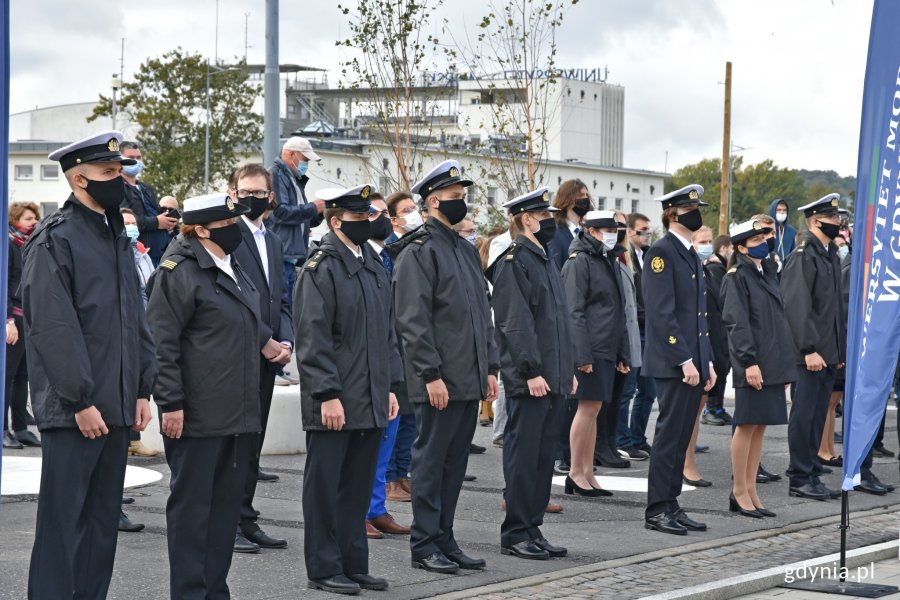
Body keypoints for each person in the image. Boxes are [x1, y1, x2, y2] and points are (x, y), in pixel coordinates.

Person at [23, 131, 157, 599]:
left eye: (120, 171)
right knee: (64, 527)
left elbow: (133, 318)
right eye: (108, 173)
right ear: (79, 178)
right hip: (76, 411)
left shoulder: (115, 235)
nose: (119, 180)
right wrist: (80, 399)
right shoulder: (54, 239)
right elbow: (54, 328)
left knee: (101, 528)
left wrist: (142, 388)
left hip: (118, 405)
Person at [146, 192, 266, 598]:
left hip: (236, 411)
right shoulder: (177, 271)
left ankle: (215, 591)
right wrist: (172, 403)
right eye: (228, 226)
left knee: (223, 514)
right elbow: (163, 344)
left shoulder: (231, 265)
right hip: (197, 414)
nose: (236, 231)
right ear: (200, 230)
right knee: (193, 513)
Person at [389, 159, 500, 574]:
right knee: (431, 463)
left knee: (455, 463)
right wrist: (430, 374)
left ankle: (445, 537)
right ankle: (424, 544)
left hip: (468, 376)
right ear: (433, 201)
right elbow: (413, 321)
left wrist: (490, 366)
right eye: (455, 198)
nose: (462, 204)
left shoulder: (464, 250)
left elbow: (479, 313)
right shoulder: (419, 251)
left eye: (463, 198)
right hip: (439, 378)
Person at [295, 184, 402, 594]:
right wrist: (326, 395)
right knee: (325, 489)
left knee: (357, 487)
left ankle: (353, 563)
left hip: (371, 394)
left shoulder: (372, 263)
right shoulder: (321, 267)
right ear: (336, 221)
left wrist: (391, 385)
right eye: (360, 218)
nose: (369, 223)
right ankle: (323, 567)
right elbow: (313, 338)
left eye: (370, 217)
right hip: (335, 398)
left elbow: (387, 333)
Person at [491, 188, 574, 561]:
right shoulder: (513, 261)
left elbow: (558, 321)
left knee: (543, 457)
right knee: (524, 456)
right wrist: (531, 370)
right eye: (545, 216)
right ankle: (516, 531)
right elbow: (515, 322)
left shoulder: (544, 258)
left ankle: (533, 526)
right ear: (526, 218)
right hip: (531, 379)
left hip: (553, 375)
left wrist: (565, 370)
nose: (551, 222)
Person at [642, 184, 716, 536]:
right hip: (674, 363)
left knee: (682, 436)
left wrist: (708, 361)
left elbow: (699, 318)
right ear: (673, 214)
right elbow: (662, 314)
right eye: (689, 209)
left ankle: (672, 503)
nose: (696, 213)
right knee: (669, 437)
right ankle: (657, 508)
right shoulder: (662, 252)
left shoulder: (688, 253)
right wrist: (685, 359)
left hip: (693, 362)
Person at [229, 163, 294, 553]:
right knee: (235, 447)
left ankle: (246, 516)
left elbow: (280, 297)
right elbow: (233, 298)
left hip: (269, 359)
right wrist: (264, 340)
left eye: (259, 192)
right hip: (239, 357)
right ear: (233, 193)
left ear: (270, 197)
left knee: (253, 443)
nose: (252, 198)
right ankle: (228, 521)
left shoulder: (272, 239)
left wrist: (285, 339)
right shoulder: (229, 235)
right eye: (245, 191)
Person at [721, 218, 797, 517]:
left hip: (771, 362)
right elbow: (737, 323)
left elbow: (776, 322)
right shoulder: (736, 276)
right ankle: (739, 490)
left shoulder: (765, 272)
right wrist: (748, 361)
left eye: (764, 237)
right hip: (752, 363)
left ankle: (751, 488)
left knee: (760, 426)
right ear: (741, 247)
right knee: (746, 424)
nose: (763, 242)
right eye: (756, 240)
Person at [781, 194, 846, 500]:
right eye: (833, 219)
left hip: (827, 353)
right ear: (817, 221)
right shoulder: (804, 255)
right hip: (809, 355)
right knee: (804, 415)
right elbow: (797, 307)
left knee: (818, 416)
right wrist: (809, 349)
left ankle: (813, 474)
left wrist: (837, 350)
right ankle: (799, 477)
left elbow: (832, 309)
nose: (838, 223)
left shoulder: (829, 254)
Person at [561, 210, 629, 497]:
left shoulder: (606, 259)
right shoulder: (580, 262)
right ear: (591, 231)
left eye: (614, 229)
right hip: (590, 348)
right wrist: (582, 356)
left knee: (594, 411)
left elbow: (618, 310)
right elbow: (573, 311)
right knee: (586, 410)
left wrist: (623, 351)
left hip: (606, 346)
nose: (612, 234)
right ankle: (576, 472)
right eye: (606, 230)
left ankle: (587, 471)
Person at [365, 193, 413, 539]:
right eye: (379, 214)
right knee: (369, 443)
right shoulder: (362, 258)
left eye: (387, 214)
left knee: (388, 437)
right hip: (367, 365)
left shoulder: (389, 255)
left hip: (394, 357)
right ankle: (359, 510)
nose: (388, 220)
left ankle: (376, 508)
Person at [680, 225, 724, 488]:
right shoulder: (690, 270)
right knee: (688, 412)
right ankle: (685, 464)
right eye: (702, 241)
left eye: (709, 241)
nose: (706, 245)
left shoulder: (708, 269)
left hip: (708, 346)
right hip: (690, 348)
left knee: (697, 410)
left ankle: (689, 461)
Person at [384, 191, 420, 504]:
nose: (413, 214)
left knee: (410, 415)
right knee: (397, 413)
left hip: (412, 339)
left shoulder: (415, 244)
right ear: (393, 219)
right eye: (406, 210)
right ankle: (391, 478)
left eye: (414, 208)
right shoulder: (390, 248)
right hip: (396, 336)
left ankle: (402, 472)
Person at [267, 136, 326, 315]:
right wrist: (313, 207)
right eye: (305, 159)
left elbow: (305, 219)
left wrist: (322, 211)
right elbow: (280, 212)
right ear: (290, 154)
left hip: (291, 255)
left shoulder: (294, 178)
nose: (306, 164)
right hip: (282, 253)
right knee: (283, 308)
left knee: (291, 308)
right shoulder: (276, 173)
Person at [616, 212, 656, 461]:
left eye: (647, 230)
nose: (646, 234)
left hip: (648, 332)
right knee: (628, 391)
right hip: (635, 330)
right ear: (630, 232)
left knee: (648, 391)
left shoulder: (647, 256)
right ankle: (623, 440)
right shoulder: (625, 255)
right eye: (641, 230)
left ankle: (638, 437)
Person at [4, 202, 40, 450]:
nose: (34, 222)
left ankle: (21, 428)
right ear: (16, 219)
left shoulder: (32, 244)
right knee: (7, 377)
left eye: (36, 218)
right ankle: (3, 430)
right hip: (13, 318)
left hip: (29, 317)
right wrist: (8, 320)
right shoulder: (7, 244)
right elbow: (4, 284)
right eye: (28, 218)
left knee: (23, 376)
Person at [120, 141, 178, 266]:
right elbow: (125, 221)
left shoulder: (146, 188)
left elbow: (156, 215)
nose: (136, 161)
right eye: (131, 158)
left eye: (138, 157)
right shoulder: (117, 188)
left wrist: (168, 223)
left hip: (161, 255)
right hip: (138, 256)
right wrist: (157, 222)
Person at [701, 234, 735, 426]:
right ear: (724, 248)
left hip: (721, 326)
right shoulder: (715, 268)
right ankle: (711, 408)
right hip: (715, 326)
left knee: (723, 368)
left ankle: (718, 407)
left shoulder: (720, 267)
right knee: (718, 368)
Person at [547, 179, 591, 270]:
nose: (586, 199)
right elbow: (555, 270)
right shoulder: (555, 233)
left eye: (586, 195)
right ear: (568, 200)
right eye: (581, 195)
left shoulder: (587, 232)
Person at [770, 198, 797, 263]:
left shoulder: (792, 231)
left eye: (784, 210)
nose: (782, 212)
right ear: (773, 211)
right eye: (779, 210)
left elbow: (794, 251)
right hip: (771, 268)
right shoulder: (767, 230)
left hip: (787, 269)